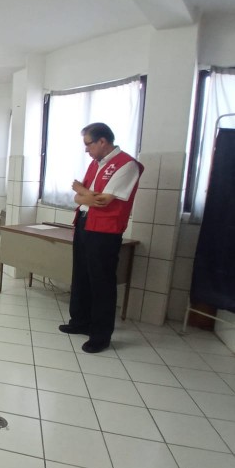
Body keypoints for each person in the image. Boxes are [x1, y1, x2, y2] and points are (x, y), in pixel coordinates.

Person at [60, 122, 143, 353]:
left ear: (102, 141)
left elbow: (103, 201)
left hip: (105, 231)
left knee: (102, 283)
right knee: (82, 276)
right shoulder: (95, 165)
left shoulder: (127, 165)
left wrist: (84, 192)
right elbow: (79, 199)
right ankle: (80, 322)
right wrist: (86, 195)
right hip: (85, 224)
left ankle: (100, 335)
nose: (86, 150)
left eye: (89, 144)